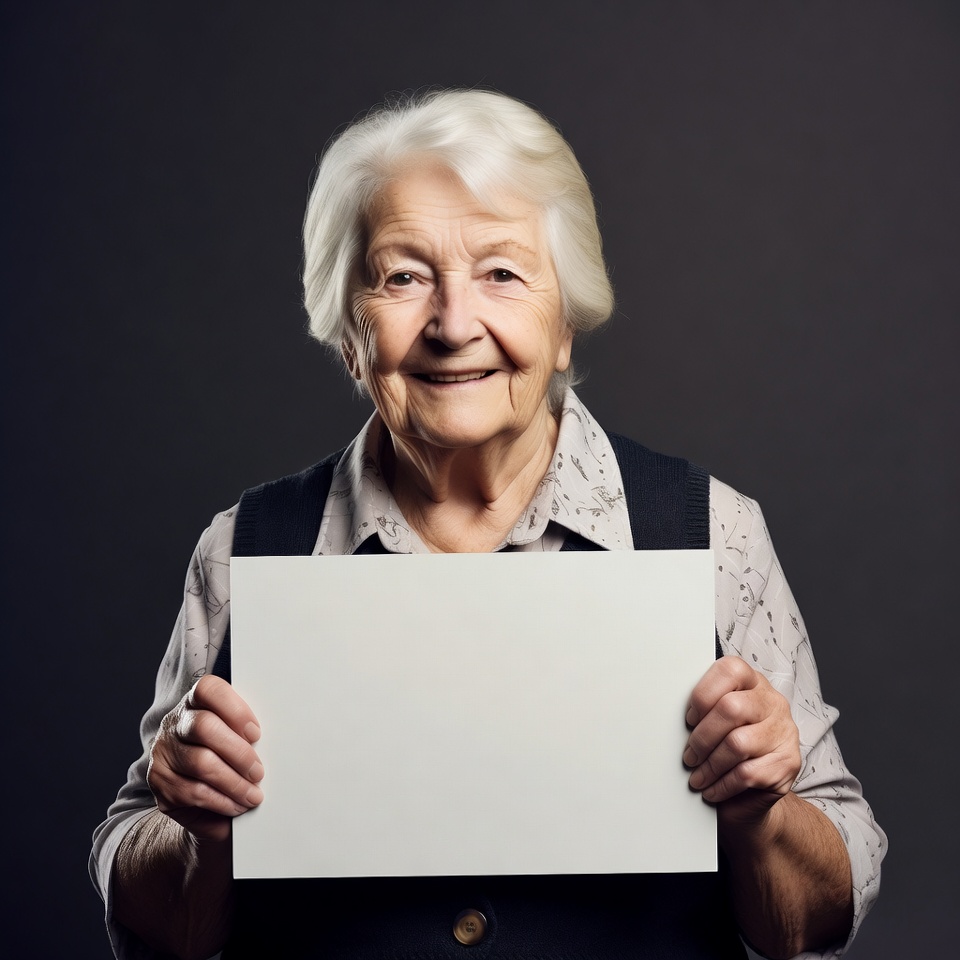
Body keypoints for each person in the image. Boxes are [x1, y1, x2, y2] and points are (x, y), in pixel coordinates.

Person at [90, 89, 884, 960]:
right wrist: (195, 826)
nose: (454, 325)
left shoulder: (711, 531)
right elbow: (161, 925)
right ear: (349, 332)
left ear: (566, 321)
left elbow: (810, 922)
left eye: (502, 273)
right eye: (403, 277)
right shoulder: (244, 549)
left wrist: (760, 809)